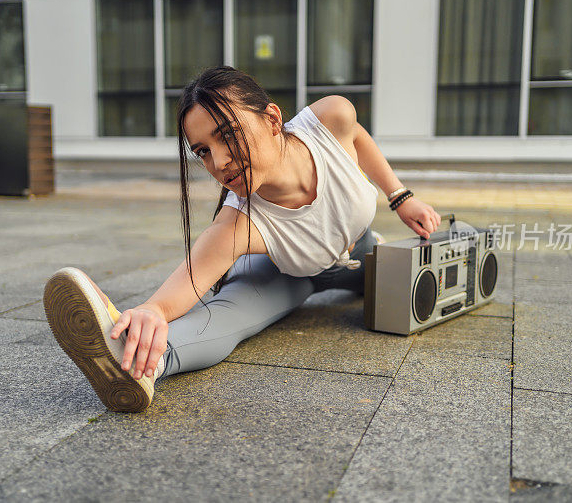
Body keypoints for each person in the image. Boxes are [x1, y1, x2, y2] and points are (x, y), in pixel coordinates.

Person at [43, 66, 441, 413]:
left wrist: (400, 196)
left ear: (271, 119)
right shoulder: (237, 222)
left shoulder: (329, 119)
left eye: (227, 135)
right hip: (286, 274)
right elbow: (190, 280)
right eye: (203, 151)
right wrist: (151, 311)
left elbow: (356, 137)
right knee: (230, 316)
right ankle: (134, 360)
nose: (218, 163)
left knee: (439, 254)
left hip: (360, 251)